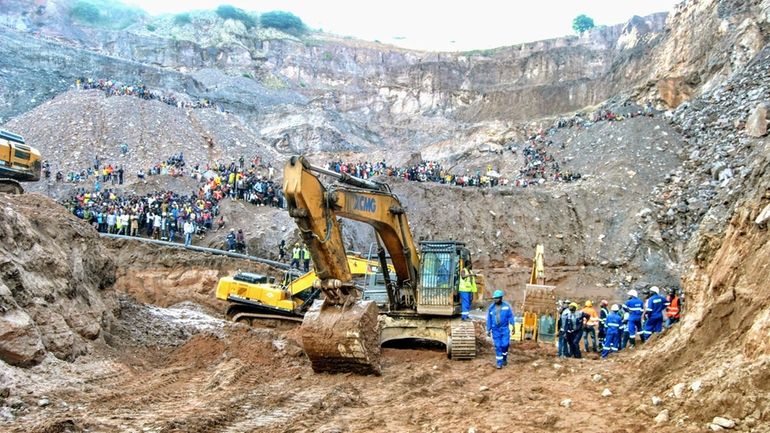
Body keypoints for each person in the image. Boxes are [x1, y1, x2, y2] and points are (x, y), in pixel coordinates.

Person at [486, 290, 515, 369]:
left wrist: (513, 325)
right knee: (498, 346)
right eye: (494, 298)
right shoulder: (491, 308)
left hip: (505, 329)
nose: (495, 300)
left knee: (505, 345)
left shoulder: (506, 306)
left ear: (501, 298)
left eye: (497, 298)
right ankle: (499, 363)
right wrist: (488, 329)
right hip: (495, 330)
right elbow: (489, 319)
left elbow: (510, 316)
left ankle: (504, 357)